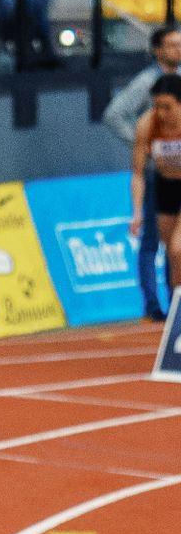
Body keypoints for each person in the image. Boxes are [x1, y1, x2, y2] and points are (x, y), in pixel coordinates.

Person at [105, 24, 181, 318]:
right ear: (158, 50)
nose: (178, 50)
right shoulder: (148, 82)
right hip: (158, 174)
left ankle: (175, 307)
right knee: (156, 240)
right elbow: (113, 114)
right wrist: (145, 144)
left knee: (176, 247)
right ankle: (156, 304)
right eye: (172, 45)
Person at [130, 73, 181, 306]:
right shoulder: (146, 124)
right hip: (166, 187)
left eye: (168, 107)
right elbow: (138, 174)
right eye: (157, 106)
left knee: (178, 248)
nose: (161, 113)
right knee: (170, 253)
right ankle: (175, 309)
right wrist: (137, 212)